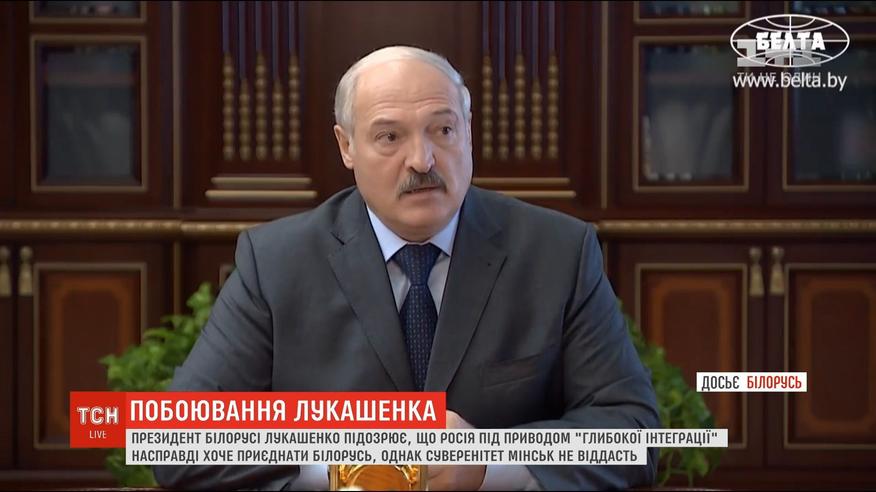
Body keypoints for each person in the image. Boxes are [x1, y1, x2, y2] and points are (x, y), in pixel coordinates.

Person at [154, 45, 659, 491]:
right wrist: (350, 466)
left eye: (443, 130)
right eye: (389, 136)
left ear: (468, 134)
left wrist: (488, 461)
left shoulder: (558, 252)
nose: (422, 160)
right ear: (347, 147)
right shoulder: (277, 261)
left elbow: (631, 431)